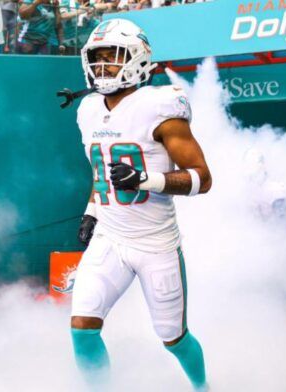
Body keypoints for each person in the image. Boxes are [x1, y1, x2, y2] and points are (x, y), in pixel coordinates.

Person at [71, 19, 210, 390]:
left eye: (112, 58)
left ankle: (203, 388)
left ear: (137, 60)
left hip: (155, 245)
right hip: (110, 238)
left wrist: (146, 180)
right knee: (82, 328)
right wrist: (91, 211)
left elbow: (201, 178)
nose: (102, 67)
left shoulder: (159, 106)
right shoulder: (87, 109)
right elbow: (102, 171)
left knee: (173, 338)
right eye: (96, 58)